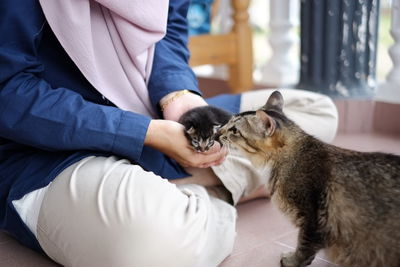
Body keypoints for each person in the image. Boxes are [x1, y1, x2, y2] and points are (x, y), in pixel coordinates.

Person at [0, 0, 338, 266]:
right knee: (152, 243)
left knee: (315, 113)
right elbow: (8, 91)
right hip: (46, 151)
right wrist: (142, 132)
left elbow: (168, 31)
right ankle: (221, 189)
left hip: (155, 116)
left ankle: (186, 188)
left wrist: (178, 96)